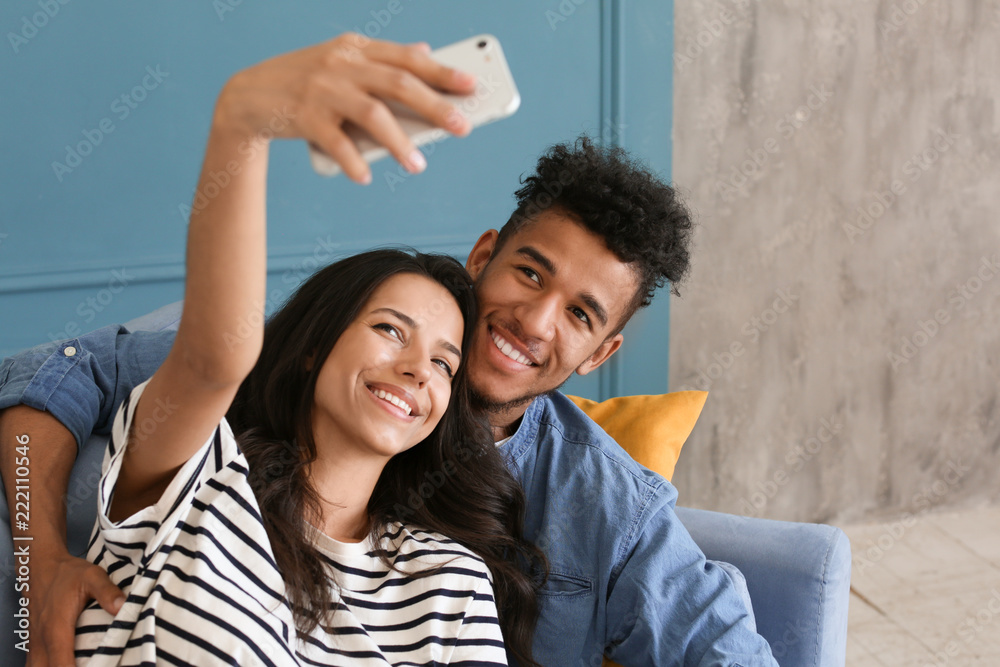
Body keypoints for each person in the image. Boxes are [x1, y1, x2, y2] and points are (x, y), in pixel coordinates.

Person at [0, 34, 779, 666]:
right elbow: (91, 374)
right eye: (529, 272)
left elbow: (725, 648)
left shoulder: (487, 565)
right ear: (484, 258)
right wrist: (38, 570)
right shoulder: (213, 460)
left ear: (600, 351)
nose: (535, 321)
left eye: (577, 313)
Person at [6, 39, 546, 666]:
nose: (417, 369)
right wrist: (244, 125)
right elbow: (216, 357)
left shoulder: (449, 582)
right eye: (391, 330)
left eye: (445, 363)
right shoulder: (198, 473)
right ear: (316, 346)